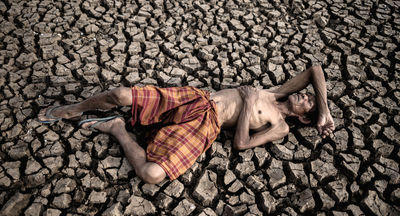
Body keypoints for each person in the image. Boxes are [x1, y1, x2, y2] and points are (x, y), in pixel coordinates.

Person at [38, 64, 335, 184]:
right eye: (309, 96)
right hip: (196, 99)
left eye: (310, 103)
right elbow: (315, 70)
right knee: (119, 94)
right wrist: (326, 114)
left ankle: (117, 128)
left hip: (207, 126)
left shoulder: (281, 126)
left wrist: (246, 105)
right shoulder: (278, 91)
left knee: (152, 174)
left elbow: (242, 144)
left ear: (303, 118)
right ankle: (72, 110)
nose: (306, 96)